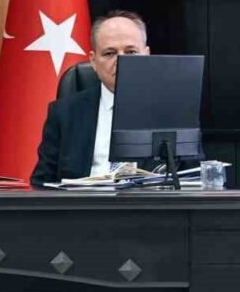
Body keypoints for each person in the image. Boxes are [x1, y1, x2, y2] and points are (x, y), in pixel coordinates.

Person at [30, 10, 150, 185]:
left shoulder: (172, 111)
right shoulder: (64, 113)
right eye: (109, 53)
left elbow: (189, 178)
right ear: (93, 61)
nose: (121, 60)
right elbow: (42, 183)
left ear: (146, 55)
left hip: (149, 202)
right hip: (82, 201)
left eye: (131, 52)